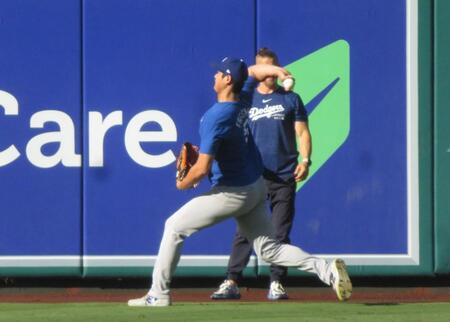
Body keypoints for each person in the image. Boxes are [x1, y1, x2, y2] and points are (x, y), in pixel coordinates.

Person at [127, 57, 352, 307]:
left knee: (173, 227)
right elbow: (253, 72)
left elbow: (201, 168)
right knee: (270, 250)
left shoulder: (217, 116)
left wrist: (183, 183)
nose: (214, 76)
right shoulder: (243, 98)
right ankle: (328, 270)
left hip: (233, 193)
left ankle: (158, 294)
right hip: (255, 187)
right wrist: (278, 70)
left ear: (227, 79)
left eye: (219, 73)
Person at [211, 48, 311, 301]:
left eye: (272, 66)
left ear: (278, 67)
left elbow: (302, 133)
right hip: (254, 174)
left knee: (280, 232)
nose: (268, 73)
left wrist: (306, 159)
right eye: (263, 68)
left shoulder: (291, 99)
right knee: (244, 232)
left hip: (284, 175)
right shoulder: (246, 99)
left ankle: (277, 282)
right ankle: (232, 280)